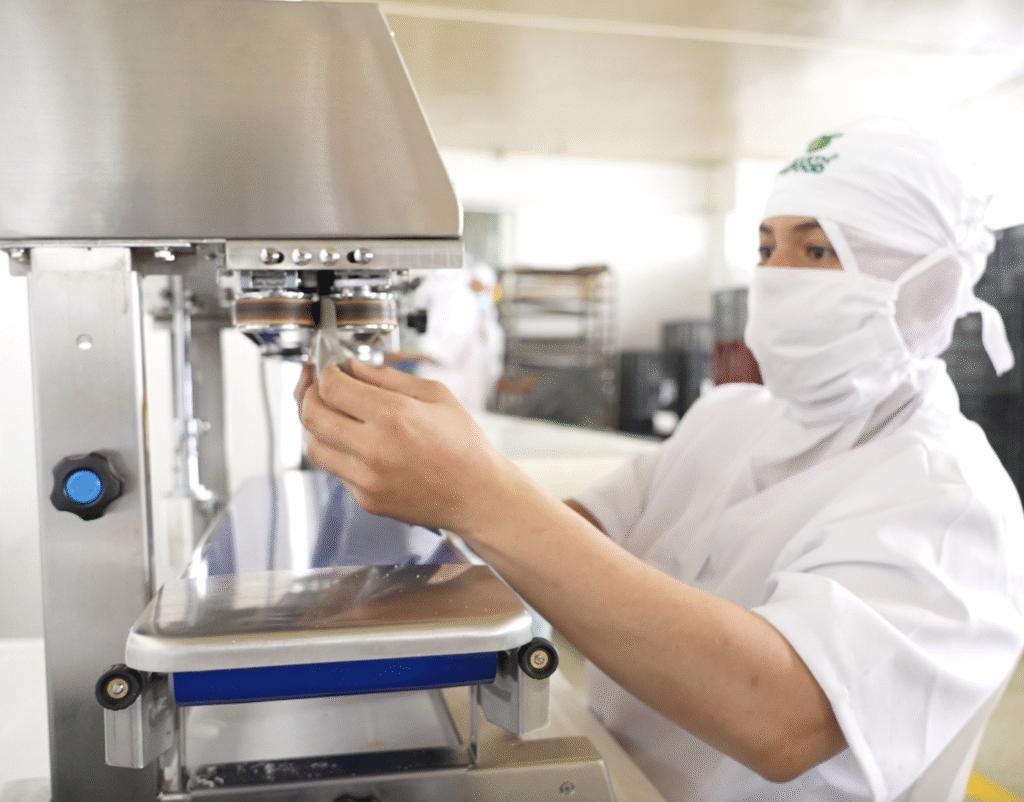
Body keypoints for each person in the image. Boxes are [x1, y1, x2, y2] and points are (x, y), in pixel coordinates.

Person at [294, 119, 1024, 802]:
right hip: (617, 775)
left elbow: (784, 720)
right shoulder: (730, 418)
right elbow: (570, 538)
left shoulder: (951, 500)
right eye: (767, 248)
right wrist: (407, 482)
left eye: (819, 250)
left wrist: (482, 496)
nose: (779, 276)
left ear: (929, 285)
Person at [396, 263, 505, 413]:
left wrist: (396, 356)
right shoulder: (469, 308)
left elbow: (440, 354)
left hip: (452, 396)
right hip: (458, 397)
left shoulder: (468, 310)